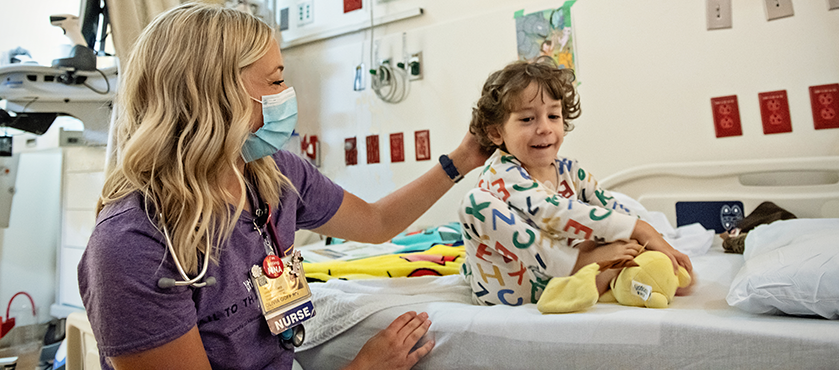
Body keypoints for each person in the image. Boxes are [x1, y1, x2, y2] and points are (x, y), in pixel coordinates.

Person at [77, 3, 488, 370]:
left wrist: (463, 159)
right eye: (275, 83)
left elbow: (377, 222)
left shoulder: (273, 176)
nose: (286, 96)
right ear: (213, 96)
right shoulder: (132, 244)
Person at [458, 57, 692, 306]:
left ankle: (588, 278)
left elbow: (611, 207)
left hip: (556, 277)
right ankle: (577, 265)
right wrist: (638, 229)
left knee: (614, 228)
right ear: (496, 133)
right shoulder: (501, 172)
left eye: (554, 116)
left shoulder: (571, 171)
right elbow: (550, 209)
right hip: (511, 289)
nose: (544, 128)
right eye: (527, 119)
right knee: (474, 203)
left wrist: (655, 241)